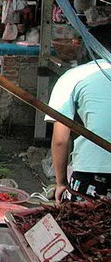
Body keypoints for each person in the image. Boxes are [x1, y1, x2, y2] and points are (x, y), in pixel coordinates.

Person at [47, 25, 111, 202]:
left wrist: (61, 183)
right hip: (93, 167)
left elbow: (60, 140)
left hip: (92, 170)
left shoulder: (74, 76)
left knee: (87, 224)